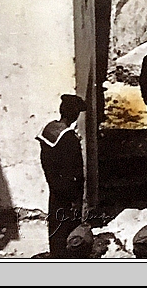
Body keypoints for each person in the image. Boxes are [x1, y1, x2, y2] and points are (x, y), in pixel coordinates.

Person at [37, 94, 86, 257]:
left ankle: (56, 254)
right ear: (74, 115)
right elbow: (77, 172)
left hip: (54, 186)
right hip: (69, 191)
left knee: (56, 225)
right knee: (69, 229)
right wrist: (76, 198)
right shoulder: (68, 138)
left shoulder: (49, 130)